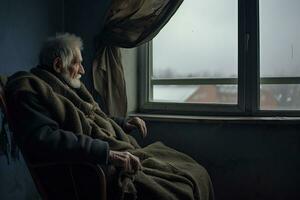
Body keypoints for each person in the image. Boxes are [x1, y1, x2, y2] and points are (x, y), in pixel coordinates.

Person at [5, 33, 214, 200]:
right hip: (94, 171)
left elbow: (95, 118)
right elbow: (46, 140)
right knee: (180, 190)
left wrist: (124, 122)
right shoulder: (31, 90)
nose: (83, 70)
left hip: (115, 151)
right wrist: (108, 154)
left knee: (194, 171)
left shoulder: (66, 87)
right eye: (77, 63)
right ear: (58, 65)